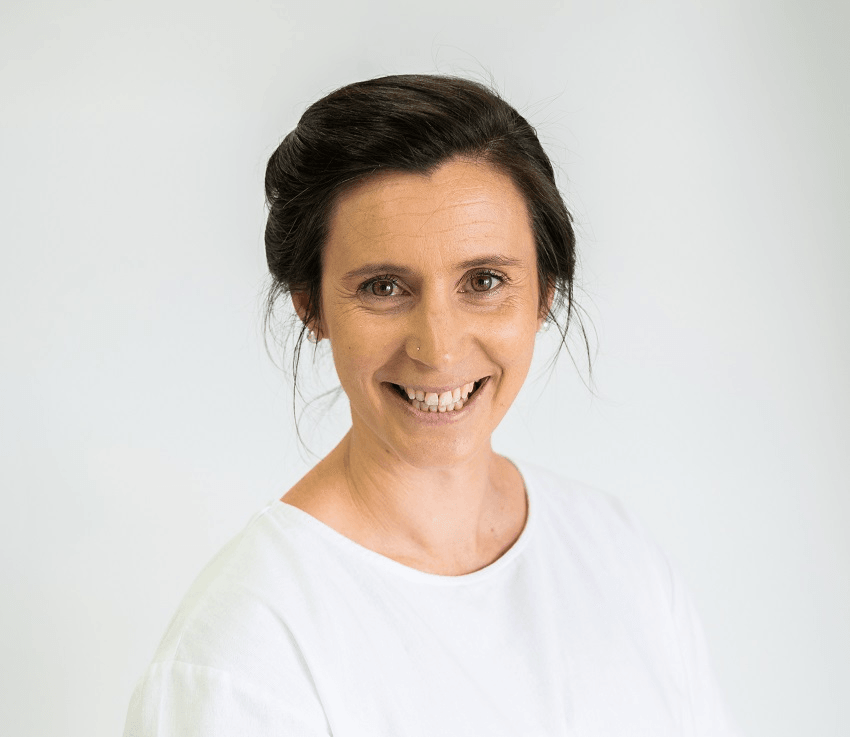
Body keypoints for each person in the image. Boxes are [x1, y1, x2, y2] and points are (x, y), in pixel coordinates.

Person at [123, 74, 740, 736]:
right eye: (384, 286)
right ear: (312, 306)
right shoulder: (248, 650)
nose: (440, 348)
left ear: (545, 293)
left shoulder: (619, 556)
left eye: (484, 280)